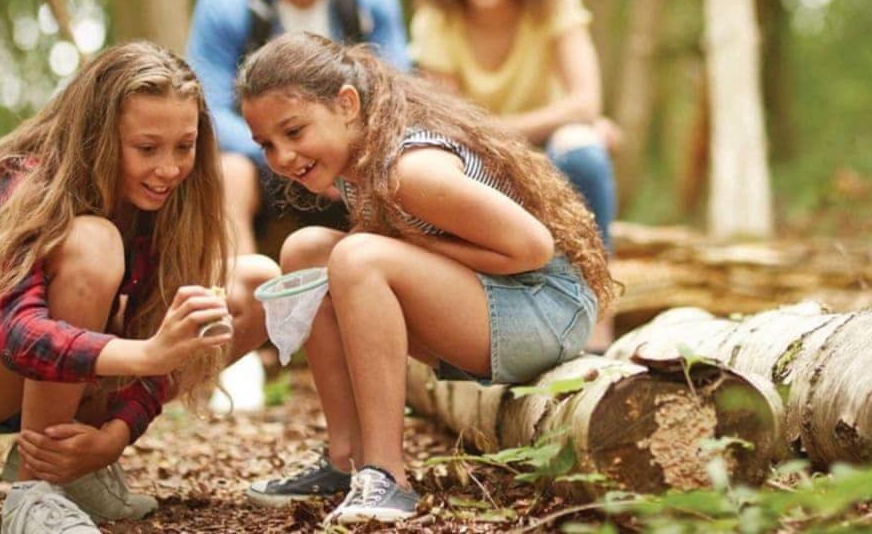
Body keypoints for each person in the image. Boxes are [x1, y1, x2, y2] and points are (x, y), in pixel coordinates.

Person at [0, 42, 277, 534]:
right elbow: (20, 335)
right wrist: (149, 355)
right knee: (94, 242)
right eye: (147, 148)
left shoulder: (172, 198)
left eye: (185, 145)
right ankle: (34, 494)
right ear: (99, 135)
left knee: (255, 283)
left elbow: (158, 328)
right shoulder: (26, 180)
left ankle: (74, 461)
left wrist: (115, 433)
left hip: (48, 378)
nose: (170, 169)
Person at [237, 33, 617, 524]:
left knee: (357, 257)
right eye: (266, 144)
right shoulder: (362, 161)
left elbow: (533, 247)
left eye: (294, 131)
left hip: (547, 309)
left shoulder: (410, 170)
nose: (283, 157)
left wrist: (404, 247)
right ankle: (344, 457)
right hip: (495, 300)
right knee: (307, 251)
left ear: (347, 105)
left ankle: (386, 478)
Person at [409, 0, 619, 345]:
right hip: (478, 156)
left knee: (584, 150)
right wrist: (507, 137)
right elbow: (446, 125)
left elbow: (585, 101)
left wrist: (505, 129)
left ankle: (599, 312)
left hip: (551, 145)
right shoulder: (436, 17)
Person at [186, 0, 410, 259]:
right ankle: (240, 293)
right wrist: (293, 150)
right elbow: (208, 111)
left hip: (352, 149)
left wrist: (343, 151)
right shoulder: (226, 2)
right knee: (229, 175)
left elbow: (398, 91)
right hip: (268, 157)